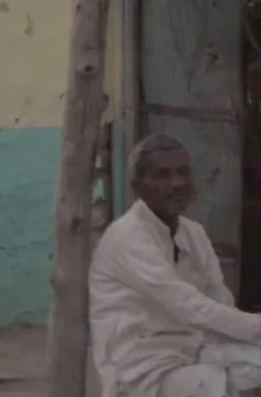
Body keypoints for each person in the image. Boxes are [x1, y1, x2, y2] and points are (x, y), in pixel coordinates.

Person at [91, 134, 261, 397]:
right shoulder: (126, 237)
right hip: (142, 369)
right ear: (137, 187)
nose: (178, 183)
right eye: (162, 175)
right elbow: (192, 307)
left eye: (184, 172)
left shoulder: (194, 233)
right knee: (229, 386)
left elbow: (219, 307)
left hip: (195, 351)